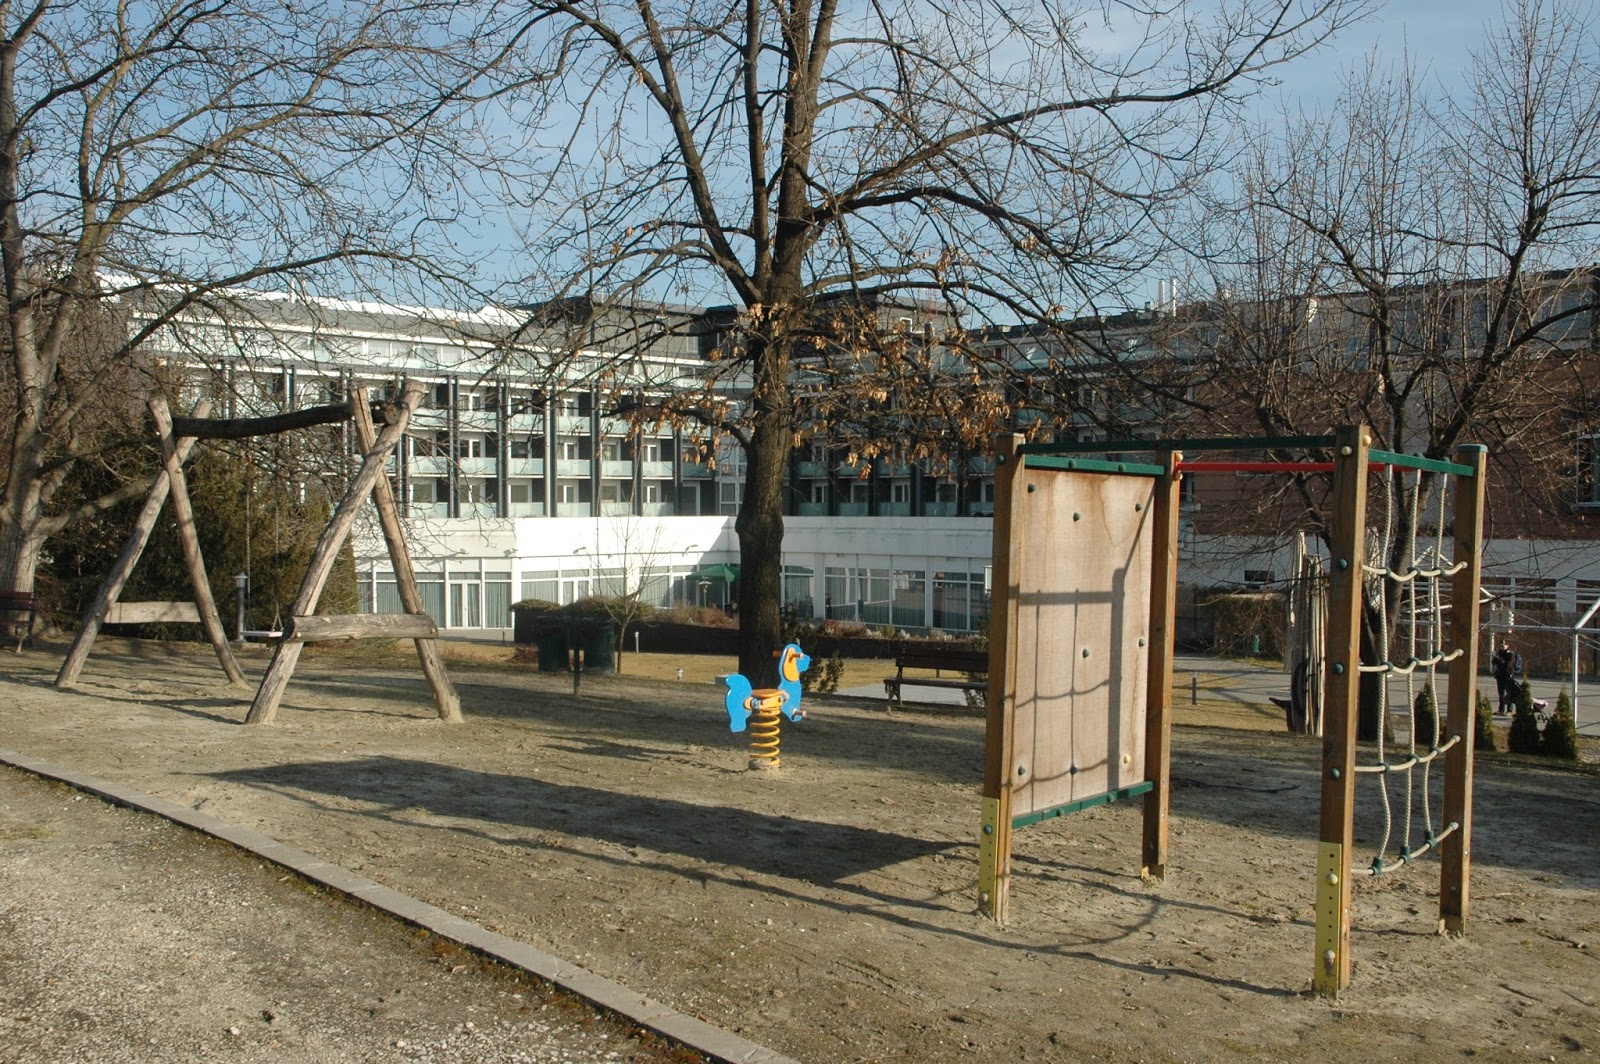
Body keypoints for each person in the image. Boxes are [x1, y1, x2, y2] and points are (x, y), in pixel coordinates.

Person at [1491, 640, 1523, 714]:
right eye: (1500, 646)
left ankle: (1509, 710)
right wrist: (1498, 660)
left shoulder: (1511, 654)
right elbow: (1493, 662)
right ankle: (1501, 709)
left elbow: (1508, 665)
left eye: (1503, 646)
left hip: (1508, 676)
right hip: (1499, 676)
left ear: (1507, 645)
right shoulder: (1499, 653)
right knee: (1501, 694)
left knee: (1509, 693)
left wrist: (1500, 661)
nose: (1501, 647)